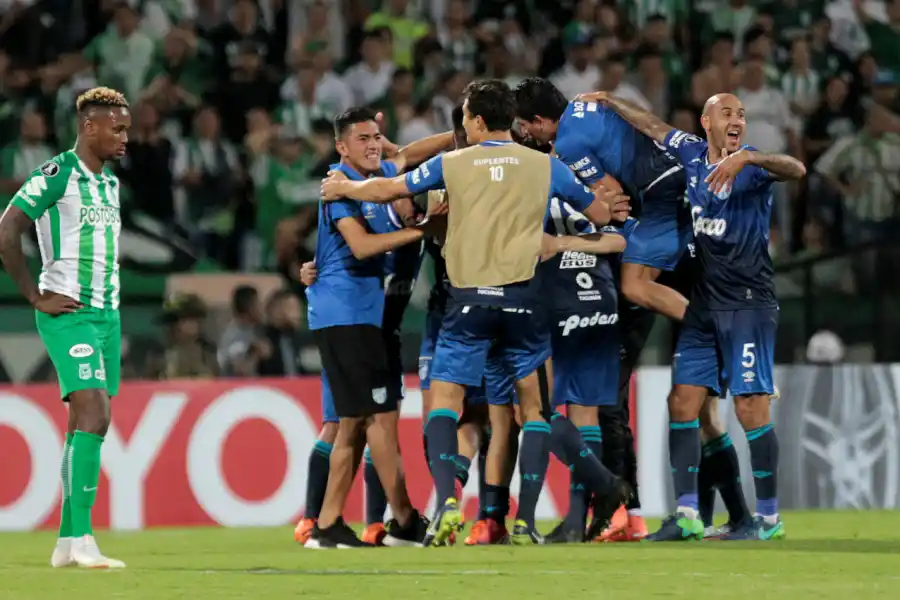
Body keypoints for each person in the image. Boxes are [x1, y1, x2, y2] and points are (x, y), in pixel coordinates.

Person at [320, 79, 618, 546]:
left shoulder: (453, 164)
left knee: (446, 404)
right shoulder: (545, 165)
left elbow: (388, 188)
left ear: (477, 120)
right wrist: (576, 224)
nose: (462, 124)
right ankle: (530, 518)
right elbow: (600, 215)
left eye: (463, 116)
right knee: (532, 412)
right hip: (523, 301)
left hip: (468, 303)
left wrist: (345, 186)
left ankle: (446, 502)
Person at [515, 77, 753, 541]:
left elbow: (613, 204)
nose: (527, 135)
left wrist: (595, 216)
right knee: (694, 406)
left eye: (529, 126)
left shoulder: (564, 148)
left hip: (655, 227)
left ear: (541, 120)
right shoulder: (592, 108)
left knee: (631, 306)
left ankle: (626, 511)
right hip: (684, 229)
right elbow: (649, 126)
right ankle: (726, 515)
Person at [594, 90, 805, 541]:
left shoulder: (752, 165)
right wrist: (611, 101)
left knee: (749, 408)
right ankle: (688, 514)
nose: (737, 119)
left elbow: (796, 169)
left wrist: (750, 159)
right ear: (706, 122)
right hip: (705, 305)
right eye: (727, 112)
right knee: (682, 401)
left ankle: (769, 520)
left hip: (748, 303)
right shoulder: (690, 153)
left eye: (741, 114)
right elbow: (652, 126)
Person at [303, 106, 452, 548]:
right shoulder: (338, 185)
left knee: (369, 420)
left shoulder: (384, 174)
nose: (371, 146)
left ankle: (379, 521)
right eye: (361, 139)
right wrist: (426, 230)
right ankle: (333, 521)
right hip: (345, 316)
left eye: (375, 137)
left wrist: (461, 135)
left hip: (369, 320)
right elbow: (362, 246)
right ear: (341, 146)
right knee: (356, 421)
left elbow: (412, 154)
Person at [0, 87, 131, 568]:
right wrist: (35, 295)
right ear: (88, 127)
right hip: (69, 313)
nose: (124, 137)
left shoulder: (110, 184)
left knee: (81, 425)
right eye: (116, 129)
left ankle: (65, 543)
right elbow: (6, 231)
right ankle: (84, 539)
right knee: (96, 415)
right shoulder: (56, 174)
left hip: (107, 315)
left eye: (127, 129)